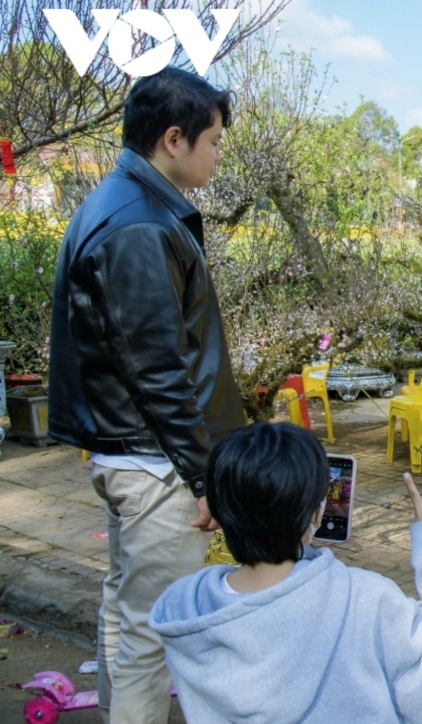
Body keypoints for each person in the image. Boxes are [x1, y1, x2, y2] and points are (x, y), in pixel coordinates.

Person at [47, 67, 244, 723]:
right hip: (156, 462)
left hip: (134, 451)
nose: (218, 154)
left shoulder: (127, 202)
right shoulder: (138, 223)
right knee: (151, 634)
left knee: (127, 614)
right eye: (214, 141)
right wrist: (202, 475)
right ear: (173, 139)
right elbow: (156, 365)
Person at [149, 423, 422, 724]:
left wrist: (303, 551)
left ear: (218, 515)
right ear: (315, 514)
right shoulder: (364, 597)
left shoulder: (182, 607)